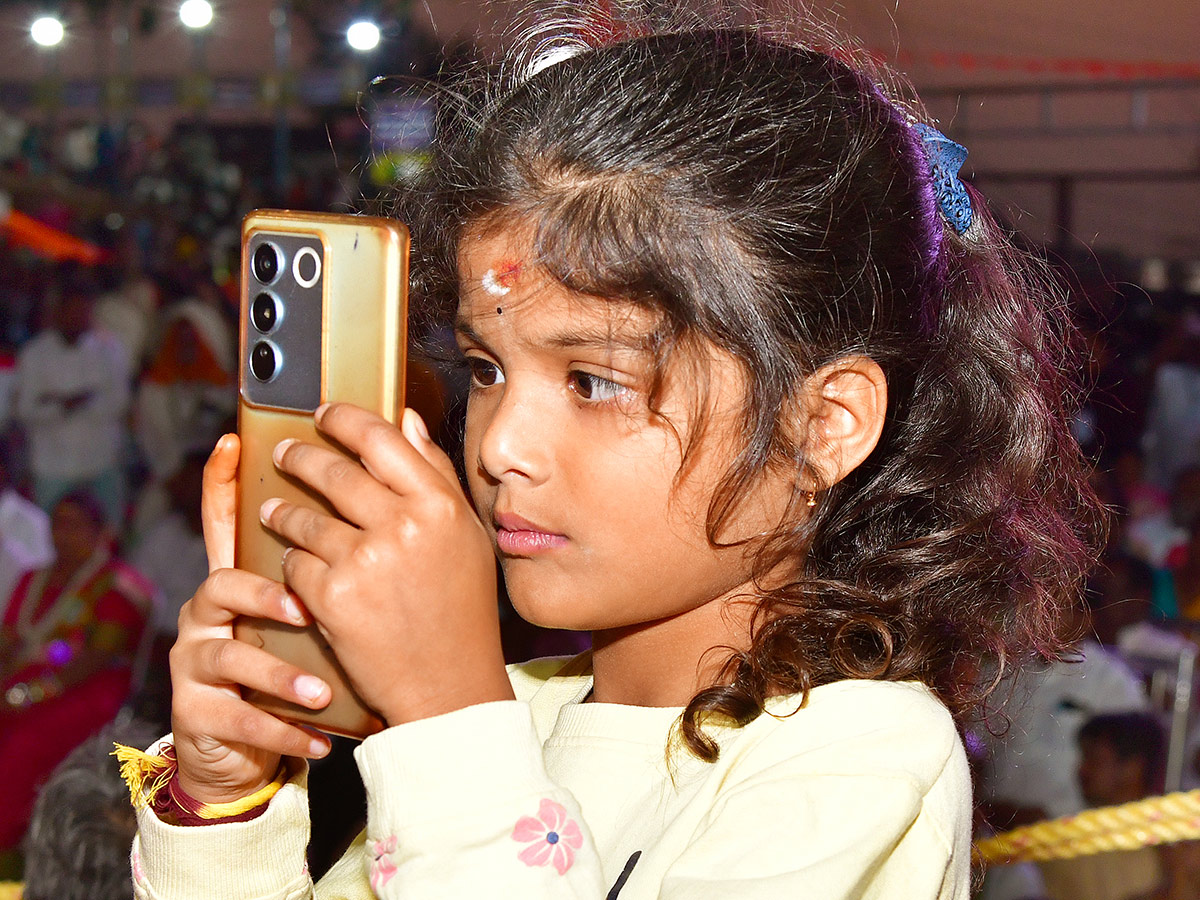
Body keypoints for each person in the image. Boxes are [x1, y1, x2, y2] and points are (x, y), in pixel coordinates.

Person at [126, 16, 1104, 900]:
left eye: (593, 380)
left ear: (823, 425)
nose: (500, 444)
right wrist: (229, 807)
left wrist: (443, 715)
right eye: (485, 366)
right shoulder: (506, 716)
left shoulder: (860, 756)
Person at [0, 489, 151, 858]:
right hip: (24, 680)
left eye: (75, 525)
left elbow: (97, 657)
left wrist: (29, 694)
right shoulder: (33, 578)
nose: (63, 533)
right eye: (58, 523)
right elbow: (9, 639)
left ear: (99, 532)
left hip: (87, 690)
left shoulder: (116, 586)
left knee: (23, 742)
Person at [13, 267, 133, 526]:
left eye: (83, 310)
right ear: (58, 311)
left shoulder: (109, 349)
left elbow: (118, 403)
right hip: (52, 467)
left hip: (100, 462)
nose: (77, 317)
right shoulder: (34, 354)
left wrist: (61, 401)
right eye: (71, 310)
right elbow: (26, 410)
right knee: (50, 535)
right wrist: (71, 404)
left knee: (107, 533)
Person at [1036, 712, 1167, 900]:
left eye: (1094, 759)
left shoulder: (1164, 848)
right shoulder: (1066, 841)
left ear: (1132, 768)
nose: (1082, 769)